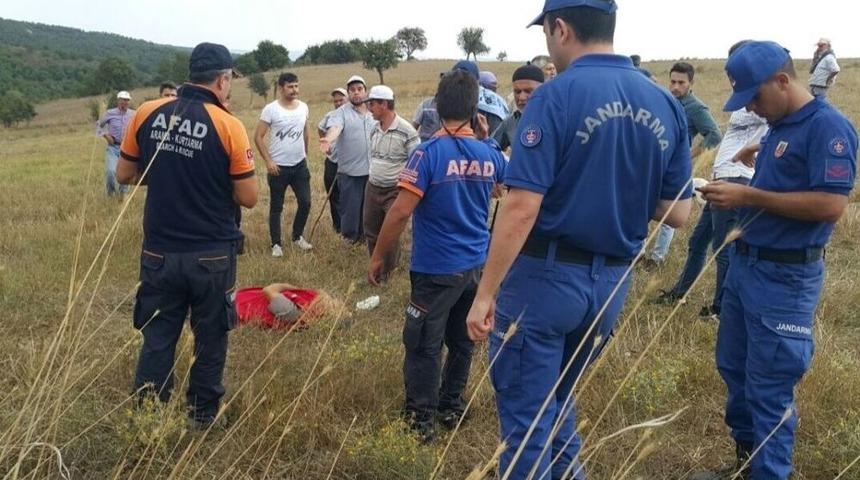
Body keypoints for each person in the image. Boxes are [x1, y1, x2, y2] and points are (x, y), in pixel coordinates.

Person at [465, 1, 693, 477]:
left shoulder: (554, 96)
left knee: (526, 425)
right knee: (557, 400)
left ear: (561, 28)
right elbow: (679, 212)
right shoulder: (665, 104)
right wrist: (618, 183)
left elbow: (521, 206)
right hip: (610, 285)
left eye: (546, 33)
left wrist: (485, 293)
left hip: (544, 281)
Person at [694, 40, 856, 480]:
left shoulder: (828, 127)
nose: (752, 108)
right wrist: (752, 162)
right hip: (746, 266)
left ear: (783, 81)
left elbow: (830, 205)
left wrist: (748, 195)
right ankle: (746, 463)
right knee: (734, 367)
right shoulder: (779, 125)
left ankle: (769, 473)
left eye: (754, 97)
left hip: (785, 277)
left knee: (769, 386)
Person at [116, 42, 259, 428]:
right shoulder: (228, 124)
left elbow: (124, 174)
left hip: (159, 252)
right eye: (230, 80)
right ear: (222, 80)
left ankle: (149, 419)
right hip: (211, 255)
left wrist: (168, 173)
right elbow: (249, 197)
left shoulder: (147, 111)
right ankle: (203, 415)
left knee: (158, 335)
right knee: (210, 336)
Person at [367, 70, 507, 444]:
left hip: (435, 269)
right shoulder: (489, 153)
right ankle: (451, 406)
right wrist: (484, 139)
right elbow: (504, 182)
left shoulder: (427, 154)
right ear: (475, 110)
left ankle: (420, 420)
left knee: (423, 345)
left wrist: (378, 255)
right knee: (461, 341)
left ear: (437, 106)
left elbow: (400, 212)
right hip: (475, 268)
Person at [655, 42, 768, 318]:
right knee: (697, 242)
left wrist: (755, 148)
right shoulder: (743, 98)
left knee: (722, 248)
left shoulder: (764, 96)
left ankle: (721, 308)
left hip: (737, 179)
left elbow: (783, 126)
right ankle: (680, 293)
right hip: (721, 178)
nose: (732, 73)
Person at [647, 61, 723, 266]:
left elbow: (714, 135)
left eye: (681, 83)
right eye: (672, 81)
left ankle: (657, 258)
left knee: (669, 210)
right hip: (655, 164)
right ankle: (638, 251)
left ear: (691, 83)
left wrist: (687, 156)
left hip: (675, 169)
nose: (675, 87)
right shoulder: (665, 100)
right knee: (645, 204)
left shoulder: (695, 107)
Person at [362, 85, 420, 278]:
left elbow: (416, 164)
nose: (369, 108)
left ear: (384, 104)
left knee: (391, 231)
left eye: (372, 104)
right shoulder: (373, 129)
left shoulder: (407, 132)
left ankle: (388, 271)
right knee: (371, 229)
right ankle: (375, 265)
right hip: (373, 186)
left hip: (394, 190)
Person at [255, 72, 313, 255]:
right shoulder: (271, 110)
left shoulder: (303, 107)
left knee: (306, 202)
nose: (294, 90)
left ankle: (297, 236)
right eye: (290, 86)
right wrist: (268, 161)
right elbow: (258, 137)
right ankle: (276, 244)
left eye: (296, 86)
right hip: (278, 168)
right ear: (281, 88)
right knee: (276, 207)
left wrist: (305, 153)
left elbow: (306, 131)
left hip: (299, 165)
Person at [320, 75, 374, 243]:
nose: (356, 93)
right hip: (350, 171)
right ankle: (350, 240)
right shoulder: (341, 113)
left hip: (372, 171)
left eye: (359, 89)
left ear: (365, 91)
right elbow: (335, 127)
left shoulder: (373, 111)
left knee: (369, 208)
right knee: (350, 208)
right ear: (348, 93)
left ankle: (365, 237)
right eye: (352, 90)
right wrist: (328, 139)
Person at [492, 64, 545, 151]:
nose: (521, 97)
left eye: (528, 91)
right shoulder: (511, 122)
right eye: (517, 92)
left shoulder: (557, 119)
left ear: (543, 90)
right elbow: (491, 148)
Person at [318, 87, 348, 233]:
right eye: (335, 101)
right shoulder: (330, 116)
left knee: (347, 195)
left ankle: (349, 226)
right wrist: (325, 143)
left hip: (348, 163)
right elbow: (320, 127)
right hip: (332, 161)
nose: (338, 103)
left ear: (347, 99)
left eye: (341, 100)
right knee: (333, 195)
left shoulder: (352, 116)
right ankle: (338, 227)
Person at [97, 90, 135, 197]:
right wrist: (106, 135)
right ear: (118, 101)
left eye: (127, 100)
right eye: (123, 100)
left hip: (127, 147)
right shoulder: (110, 113)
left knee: (125, 173)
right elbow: (98, 125)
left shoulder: (133, 114)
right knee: (111, 172)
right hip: (113, 147)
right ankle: (111, 194)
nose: (125, 102)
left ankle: (123, 195)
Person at [233, 283, 321, 329]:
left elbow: (268, 290)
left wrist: (285, 286)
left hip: (235, 308)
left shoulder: (292, 312)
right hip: (236, 300)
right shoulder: (298, 308)